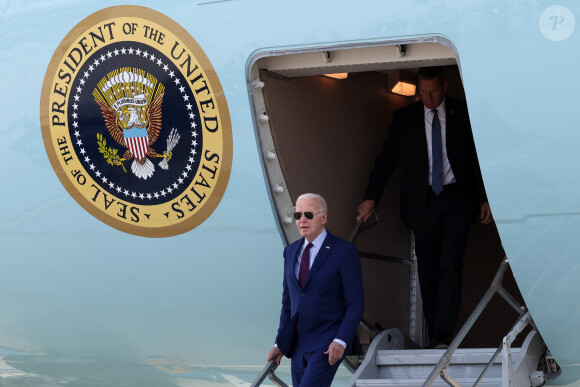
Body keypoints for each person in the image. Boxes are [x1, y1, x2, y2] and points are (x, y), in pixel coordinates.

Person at [356, 66, 492, 349]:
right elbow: (386, 162)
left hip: (456, 199)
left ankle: (443, 336)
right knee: (428, 270)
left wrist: (487, 197)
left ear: (444, 87)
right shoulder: (404, 119)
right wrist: (371, 197)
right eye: (423, 93)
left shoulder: (463, 113)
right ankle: (434, 333)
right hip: (422, 203)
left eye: (433, 92)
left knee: (450, 265)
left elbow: (480, 158)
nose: (428, 99)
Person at [267, 193, 364, 387]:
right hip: (299, 343)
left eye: (308, 215)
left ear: (323, 218)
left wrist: (341, 340)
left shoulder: (344, 251)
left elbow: (355, 303)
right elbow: (288, 302)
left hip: (328, 341)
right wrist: (280, 343)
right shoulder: (291, 251)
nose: (302, 220)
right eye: (298, 215)